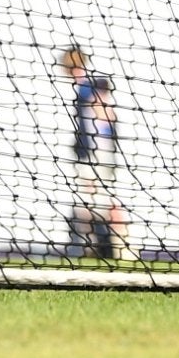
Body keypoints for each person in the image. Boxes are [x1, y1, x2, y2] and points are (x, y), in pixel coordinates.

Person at [61, 47, 131, 260]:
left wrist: (98, 147)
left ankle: (115, 247)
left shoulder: (89, 87)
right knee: (93, 201)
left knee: (100, 201)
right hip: (95, 153)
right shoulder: (87, 87)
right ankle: (93, 246)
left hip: (96, 153)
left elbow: (105, 117)